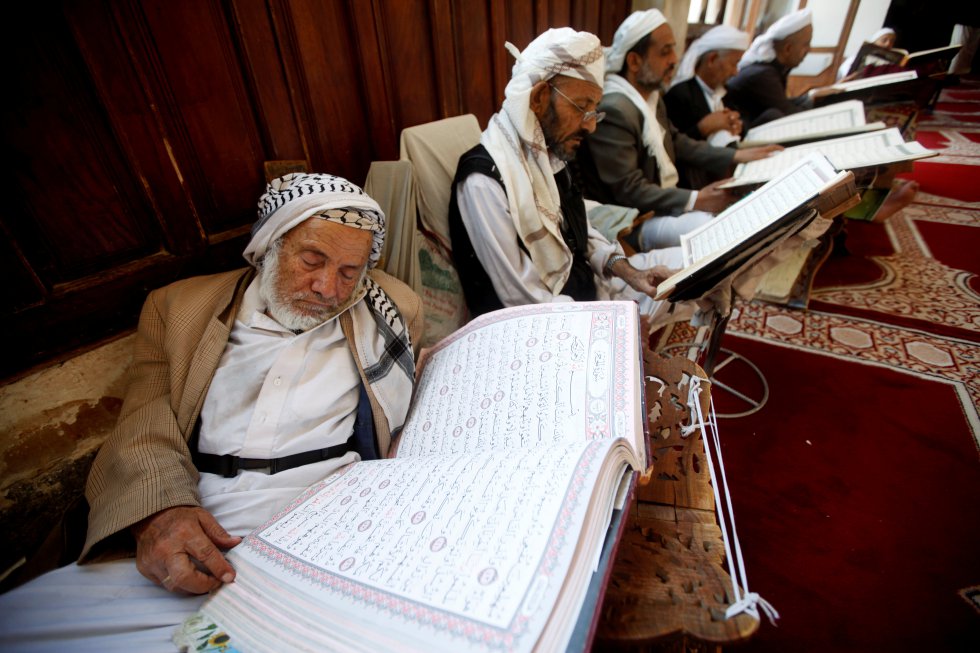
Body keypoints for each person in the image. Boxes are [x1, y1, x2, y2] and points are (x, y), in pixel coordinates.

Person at [0, 173, 423, 651]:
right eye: (311, 260)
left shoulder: (393, 310)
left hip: (334, 521)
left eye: (350, 272)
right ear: (270, 246)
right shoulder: (179, 308)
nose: (329, 287)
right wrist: (160, 509)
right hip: (204, 513)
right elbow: (145, 417)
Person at [447, 27, 689, 328]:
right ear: (539, 97)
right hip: (546, 329)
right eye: (582, 108)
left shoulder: (549, 153)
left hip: (587, 297)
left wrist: (627, 271)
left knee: (694, 271)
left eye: (594, 111)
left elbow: (579, 231)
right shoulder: (484, 182)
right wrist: (615, 326)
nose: (591, 126)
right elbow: (522, 300)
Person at [576, 9, 779, 250]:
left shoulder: (651, 96)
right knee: (718, 230)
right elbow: (629, 189)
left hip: (661, 204)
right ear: (634, 61)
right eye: (665, 52)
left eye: (673, 48)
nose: (675, 58)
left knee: (737, 214)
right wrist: (696, 199)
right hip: (633, 221)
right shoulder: (616, 109)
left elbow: (676, 141)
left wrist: (736, 155)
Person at [725, 8, 814, 127]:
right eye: (806, 44)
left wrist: (811, 97)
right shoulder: (763, 74)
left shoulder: (774, 67)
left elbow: (782, 102)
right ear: (788, 49)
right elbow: (789, 113)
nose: (809, 50)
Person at [665, 24, 752, 147]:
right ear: (712, 59)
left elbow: (746, 120)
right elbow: (672, 146)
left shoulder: (728, 92)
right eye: (733, 64)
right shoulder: (679, 95)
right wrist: (703, 128)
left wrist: (737, 125)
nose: (735, 72)